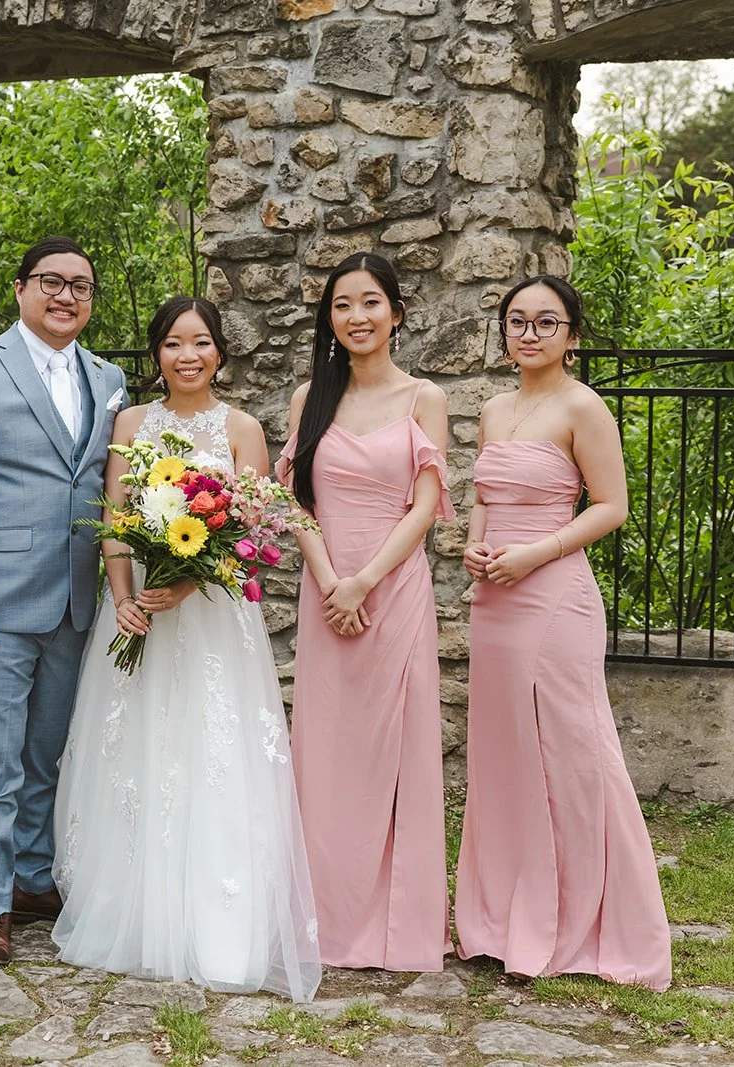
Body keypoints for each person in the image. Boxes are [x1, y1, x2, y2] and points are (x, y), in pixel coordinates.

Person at [51, 297, 322, 1001]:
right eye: (173, 343)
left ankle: (218, 923)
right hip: (141, 610)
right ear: (157, 353)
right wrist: (123, 596)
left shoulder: (241, 428)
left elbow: (255, 536)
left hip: (210, 619)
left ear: (221, 352)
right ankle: (134, 914)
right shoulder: (132, 425)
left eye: (201, 342)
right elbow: (114, 519)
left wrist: (195, 577)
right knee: (138, 752)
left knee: (212, 755)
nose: (188, 355)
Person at [454, 275, 672, 990]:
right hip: (495, 598)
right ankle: (500, 918)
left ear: (572, 336)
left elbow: (612, 506)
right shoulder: (492, 408)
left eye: (546, 322)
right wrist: (477, 547)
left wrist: (534, 552)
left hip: (554, 596)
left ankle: (589, 918)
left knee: (575, 754)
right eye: (517, 321)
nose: (529, 333)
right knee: (503, 756)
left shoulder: (584, 406)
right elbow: (486, 497)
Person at [0, 236, 128, 966]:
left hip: (77, 599)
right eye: (51, 282)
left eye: (81, 285)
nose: (66, 296)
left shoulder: (108, 379)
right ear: (20, 289)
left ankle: (34, 876)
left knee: (49, 753)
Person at [278, 252, 451, 972]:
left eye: (371, 302)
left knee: (396, 750)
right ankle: (321, 915)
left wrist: (366, 580)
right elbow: (294, 499)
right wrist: (327, 580)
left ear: (397, 313)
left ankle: (397, 925)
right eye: (342, 304)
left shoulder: (424, 397)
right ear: (330, 318)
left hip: (393, 589)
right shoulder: (308, 399)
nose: (357, 316)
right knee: (325, 751)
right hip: (325, 592)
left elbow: (427, 503)